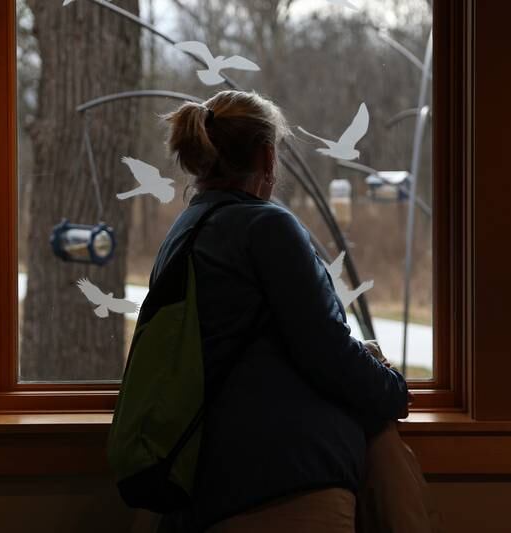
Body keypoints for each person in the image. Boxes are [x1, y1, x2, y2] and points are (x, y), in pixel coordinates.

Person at [152, 90, 410, 533]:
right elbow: (325, 350)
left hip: (207, 483)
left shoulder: (186, 230)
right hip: (282, 484)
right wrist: (394, 392)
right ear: (268, 156)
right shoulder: (267, 226)